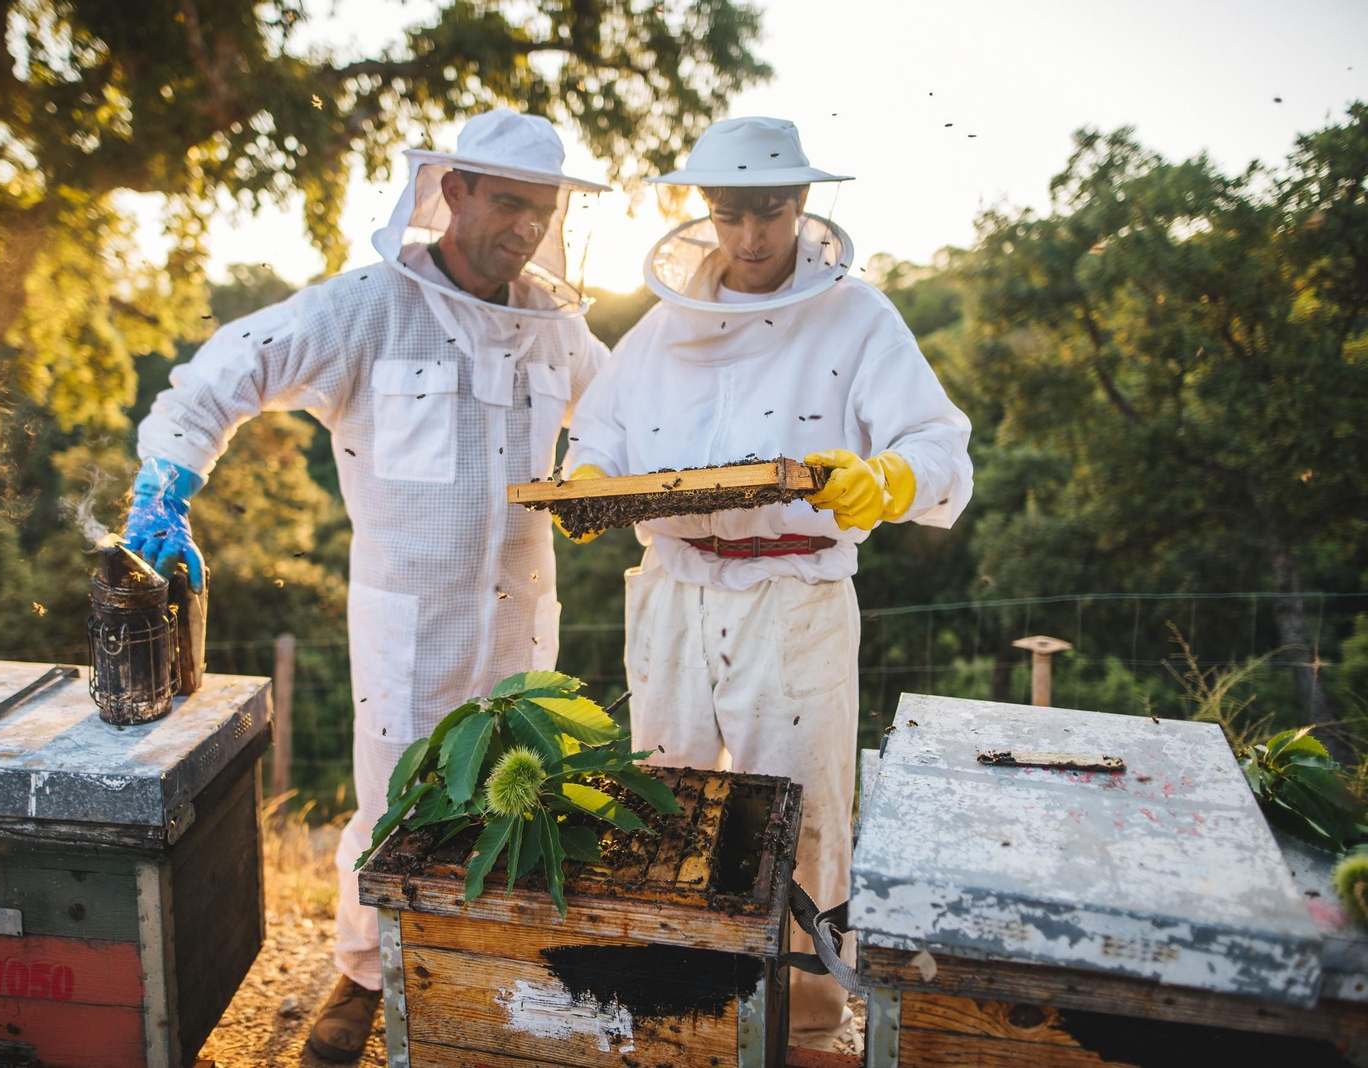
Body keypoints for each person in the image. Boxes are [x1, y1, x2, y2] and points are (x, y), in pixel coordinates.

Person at [123, 108, 611, 1062]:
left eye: (541, 210)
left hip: (522, 615)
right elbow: (227, 370)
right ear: (453, 191)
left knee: (512, 798)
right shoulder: (363, 309)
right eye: (507, 203)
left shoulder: (557, 326)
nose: (524, 228)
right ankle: (359, 978)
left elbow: (628, 411)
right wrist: (165, 487)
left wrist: (602, 461)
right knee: (395, 802)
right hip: (408, 617)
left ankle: (474, 978)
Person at [562, 115, 973, 1050]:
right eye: (730, 213)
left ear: (805, 204)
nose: (750, 237)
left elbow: (939, 446)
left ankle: (808, 1029)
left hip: (793, 599)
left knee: (798, 820)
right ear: (704, 211)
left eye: (772, 211)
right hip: (670, 588)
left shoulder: (858, 315)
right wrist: (588, 479)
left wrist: (891, 479)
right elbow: (602, 432)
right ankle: (683, 1017)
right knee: (662, 803)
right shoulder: (664, 324)